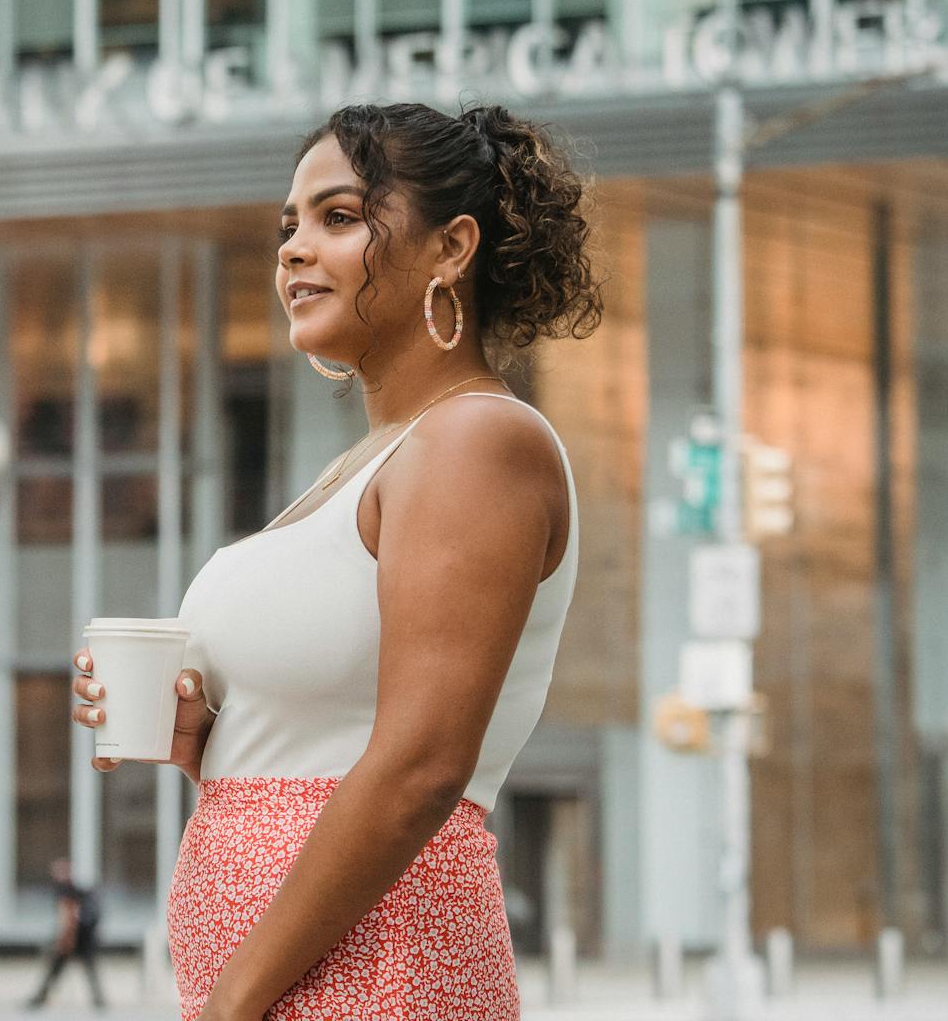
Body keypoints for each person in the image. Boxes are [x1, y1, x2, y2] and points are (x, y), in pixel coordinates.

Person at [71, 102, 602, 1021]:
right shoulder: (372, 461)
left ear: (451, 248)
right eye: (289, 226)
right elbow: (337, 740)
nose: (291, 249)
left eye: (339, 217)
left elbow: (423, 765)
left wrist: (235, 999)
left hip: (379, 969)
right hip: (292, 975)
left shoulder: (478, 441)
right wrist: (208, 739)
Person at [25, 857, 105, 1010]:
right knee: (57, 969)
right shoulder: (64, 891)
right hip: (72, 939)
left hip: (78, 939)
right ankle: (40, 997)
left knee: (84, 969)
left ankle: (98, 999)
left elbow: (72, 917)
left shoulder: (72, 892)